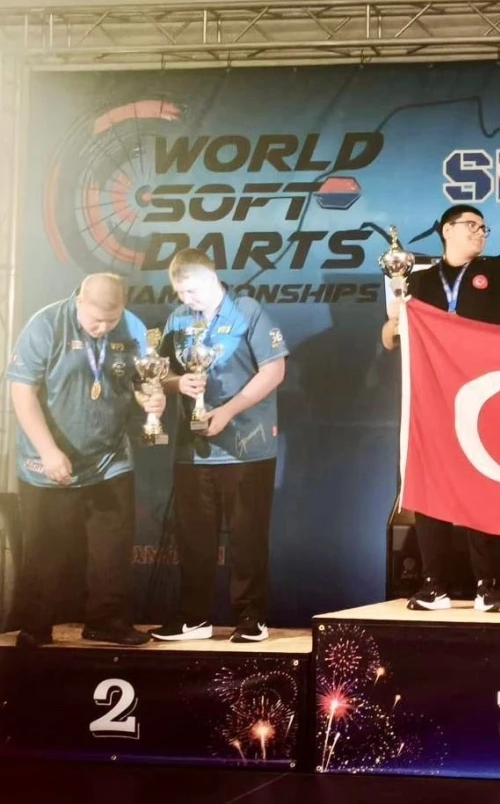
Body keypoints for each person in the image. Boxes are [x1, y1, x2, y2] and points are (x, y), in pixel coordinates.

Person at [382, 157, 500, 614]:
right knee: (430, 491)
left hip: (484, 402)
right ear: (447, 230)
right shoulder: (415, 282)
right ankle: (434, 585)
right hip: (433, 402)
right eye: (471, 226)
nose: (480, 233)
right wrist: (395, 325)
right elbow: (389, 339)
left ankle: (487, 585)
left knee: (482, 491)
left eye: (483, 228)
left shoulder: (492, 272)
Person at [6, 273, 164, 647]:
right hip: (49, 458)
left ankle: (107, 620)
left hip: (110, 456)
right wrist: (48, 450)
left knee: (113, 547)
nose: (103, 328)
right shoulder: (46, 325)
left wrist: (150, 398)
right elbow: (21, 391)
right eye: (96, 320)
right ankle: (36, 625)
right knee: (46, 546)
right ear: (79, 301)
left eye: (111, 320)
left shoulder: (131, 326)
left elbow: (141, 379)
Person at [149, 249, 288, 644]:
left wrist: (228, 410)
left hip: (247, 446)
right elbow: (158, 375)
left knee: (247, 537)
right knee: (194, 538)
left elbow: (275, 369)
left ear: (211, 277)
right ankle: (194, 617)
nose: (186, 299)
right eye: (180, 292)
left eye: (192, 291)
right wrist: (178, 383)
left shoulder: (247, 311)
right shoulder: (178, 319)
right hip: (193, 451)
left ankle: (251, 617)